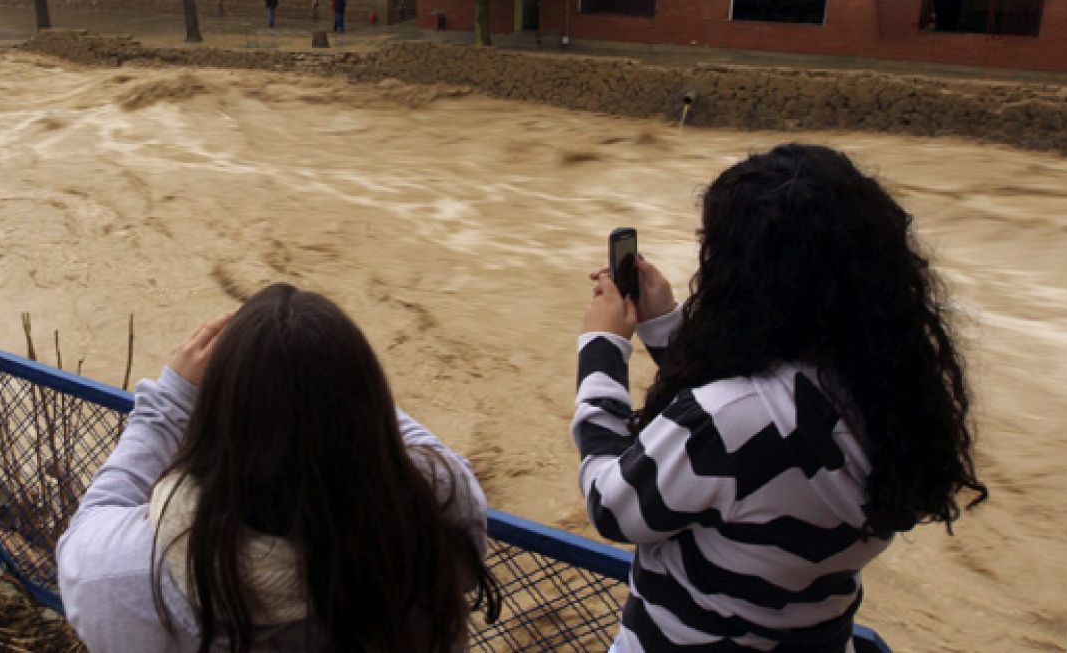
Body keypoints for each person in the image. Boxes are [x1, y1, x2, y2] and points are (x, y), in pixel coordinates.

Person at [573, 143, 985, 652]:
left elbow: (611, 505)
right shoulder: (889, 396)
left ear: (747, 277)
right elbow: (764, 416)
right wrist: (664, 325)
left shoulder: (724, 423)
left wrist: (603, 348)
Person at [59, 283, 500, 652]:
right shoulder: (431, 516)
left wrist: (170, 398)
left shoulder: (128, 576)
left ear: (215, 418)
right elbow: (428, 457)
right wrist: (327, 380)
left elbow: (89, 525)